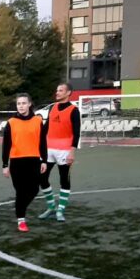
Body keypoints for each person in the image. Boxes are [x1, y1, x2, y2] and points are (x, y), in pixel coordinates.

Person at [2, 93, 48, 233]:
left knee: (34, 190)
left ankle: (19, 208)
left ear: (29, 104)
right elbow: (6, 145)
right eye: (18, 103)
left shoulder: (37, 121)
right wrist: (5, 165)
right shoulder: (11, 122)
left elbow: (42, 143)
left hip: (34, 161)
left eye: (23, 103)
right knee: (21, 192)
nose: (21, 106)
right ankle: (21, 220)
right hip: (17, 162)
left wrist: (44, 160)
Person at [39, 83, 81, 222]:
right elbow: (46, 127)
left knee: (64, 180)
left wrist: (72, 152)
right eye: (57, 90)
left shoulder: (74, 110)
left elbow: (76, 133)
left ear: (68, 93)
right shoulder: (52, 107)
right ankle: (51, 207)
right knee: (42, 177)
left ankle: (60, 210)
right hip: (48, 149)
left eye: (61, 90)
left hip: (65, 151)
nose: (57, 92)